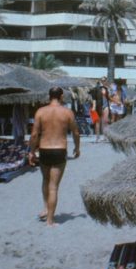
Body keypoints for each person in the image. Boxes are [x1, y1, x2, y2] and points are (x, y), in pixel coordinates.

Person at [31, 86, 80, 226]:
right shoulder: (67, 112)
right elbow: (76, 132)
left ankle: (46, 208)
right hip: (59, 149)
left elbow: (34, 134)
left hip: (44, 149)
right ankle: (50, 221)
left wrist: (31, 151)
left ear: (49, 96)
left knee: (45, 180)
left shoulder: (41, 111)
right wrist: (77, 148)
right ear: (62, 96)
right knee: (53, 187)